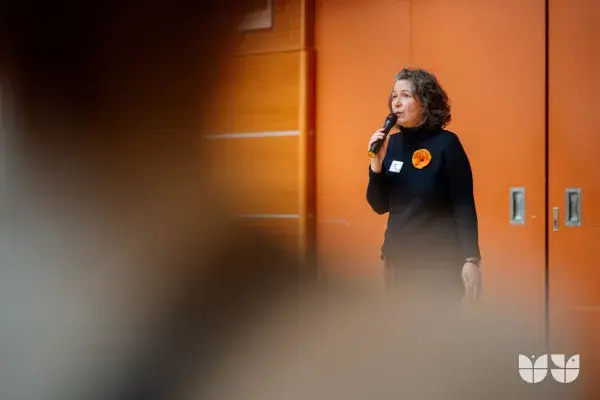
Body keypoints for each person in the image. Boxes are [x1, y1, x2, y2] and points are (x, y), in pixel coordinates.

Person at [366, 67, 481, 303]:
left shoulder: (447, 144)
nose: (396, 103)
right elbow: (379, 205)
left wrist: (471, 259)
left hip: (438, 264)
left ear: (426, 103)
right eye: (394, 96)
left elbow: (463, 204)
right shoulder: (391, 144)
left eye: (406, 95)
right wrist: (376, 165)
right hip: (397, 262)